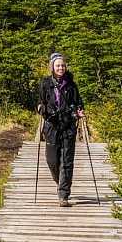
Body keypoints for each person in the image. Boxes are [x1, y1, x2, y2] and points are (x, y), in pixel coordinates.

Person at [36, 52, 85, 207]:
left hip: (68, 126)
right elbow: (40, 102)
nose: (61, 68)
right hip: (51, 126)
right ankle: (60, 181)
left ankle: (63, 195)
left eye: (63, 65)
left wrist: (79, 111)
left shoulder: (71, 84)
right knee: (52, 161)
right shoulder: (45, 83)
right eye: (58, 65)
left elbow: (79, 103)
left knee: (67, 161)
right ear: (52, 67)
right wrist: (41, 109)